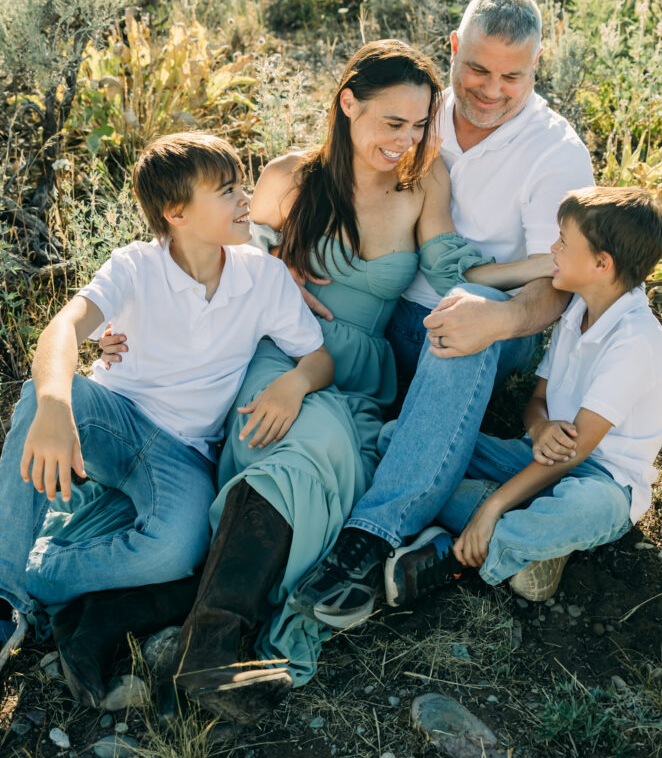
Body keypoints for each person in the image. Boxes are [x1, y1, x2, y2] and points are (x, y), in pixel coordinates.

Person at [45, 39, 552, 720]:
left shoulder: (422, 181)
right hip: (279, 356)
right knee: (307, 454)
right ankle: (211, 647)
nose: (404, 141)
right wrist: (144, 329)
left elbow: (453, 265)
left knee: (332, 471)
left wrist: (546, 273)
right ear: (347, 104)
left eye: (417, 126)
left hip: (355, 369)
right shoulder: (289, 177)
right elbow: (217, 266)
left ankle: (129, 619)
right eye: (390, 123)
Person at [292, 0, 596, 629]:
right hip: (387, 308)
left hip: (498, 324)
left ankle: (371, 535)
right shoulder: (418, 109)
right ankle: (466, 499)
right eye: (478, 70)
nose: (491, 90)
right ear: (454, 49)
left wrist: (503, 317)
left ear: (538, 65)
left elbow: (562, 280)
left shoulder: (555, 152)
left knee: (469, 310)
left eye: (513, 76)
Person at [0, 132, 333, 700]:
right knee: (40, 399)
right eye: (227, 191)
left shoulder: (264, 276)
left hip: (183, 453)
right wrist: (56, 407)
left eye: (242, 185)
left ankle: (42, 577)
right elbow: (62, 328)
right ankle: (6, 597)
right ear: (176, 212)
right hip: (116, 417)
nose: (245, 199)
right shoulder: (135, 266)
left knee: (178, 551)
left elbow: (318, 357)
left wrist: (295, 384)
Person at [384, 187, 662, 606]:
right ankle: (530, 548)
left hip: (602, 479)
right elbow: (536, 402)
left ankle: (466, 548)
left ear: (601, 264)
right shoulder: (576, 311)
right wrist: (540, 427)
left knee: (586, 507)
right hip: (535, 457)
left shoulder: (635, 340)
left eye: (562, 242)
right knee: (399, 439)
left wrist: (492, 506)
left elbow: (575, 454)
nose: (551, 249)